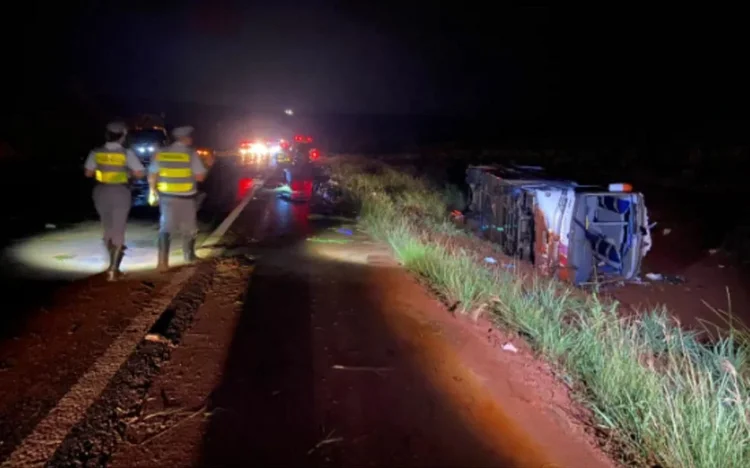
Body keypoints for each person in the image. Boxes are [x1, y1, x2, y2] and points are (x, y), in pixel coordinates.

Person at [84, 121, 145, 281]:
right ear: (123, 135)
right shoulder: (126, 153)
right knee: (119, 228)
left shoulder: (96, 152)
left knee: (107, 226)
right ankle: (113, 270)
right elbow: (139, 173)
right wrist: (128, 174)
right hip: (120, 192)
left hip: (100, 192)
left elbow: (88, 173)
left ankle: (110, 264)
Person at [148, 126, 207, 271]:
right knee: (190, 229)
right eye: (190, 137)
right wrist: (207, 165)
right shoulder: (190, 154)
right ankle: (189, 257)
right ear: (185, 138)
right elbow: (200, 177)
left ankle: (162, 263)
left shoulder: (161, 153)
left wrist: (152, 191)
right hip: (186, 197)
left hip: (166, 197)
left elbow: (152, 174)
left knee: (165, 228)